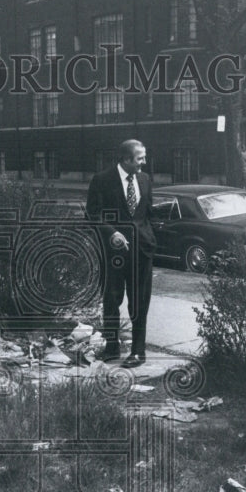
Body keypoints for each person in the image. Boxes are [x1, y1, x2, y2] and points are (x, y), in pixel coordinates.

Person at [86, 139, 156, 369]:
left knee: (140, 302)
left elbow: (147, 215)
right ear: (126, 159)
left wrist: (151, 239)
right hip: (114, 253)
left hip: (141, 253)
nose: (143, 163)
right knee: (112, 300)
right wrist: (112, 233)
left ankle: (138, 351)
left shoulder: (145, 179)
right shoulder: (102, 180)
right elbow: (93, 215)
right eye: (140, 158)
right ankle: (112, 346)